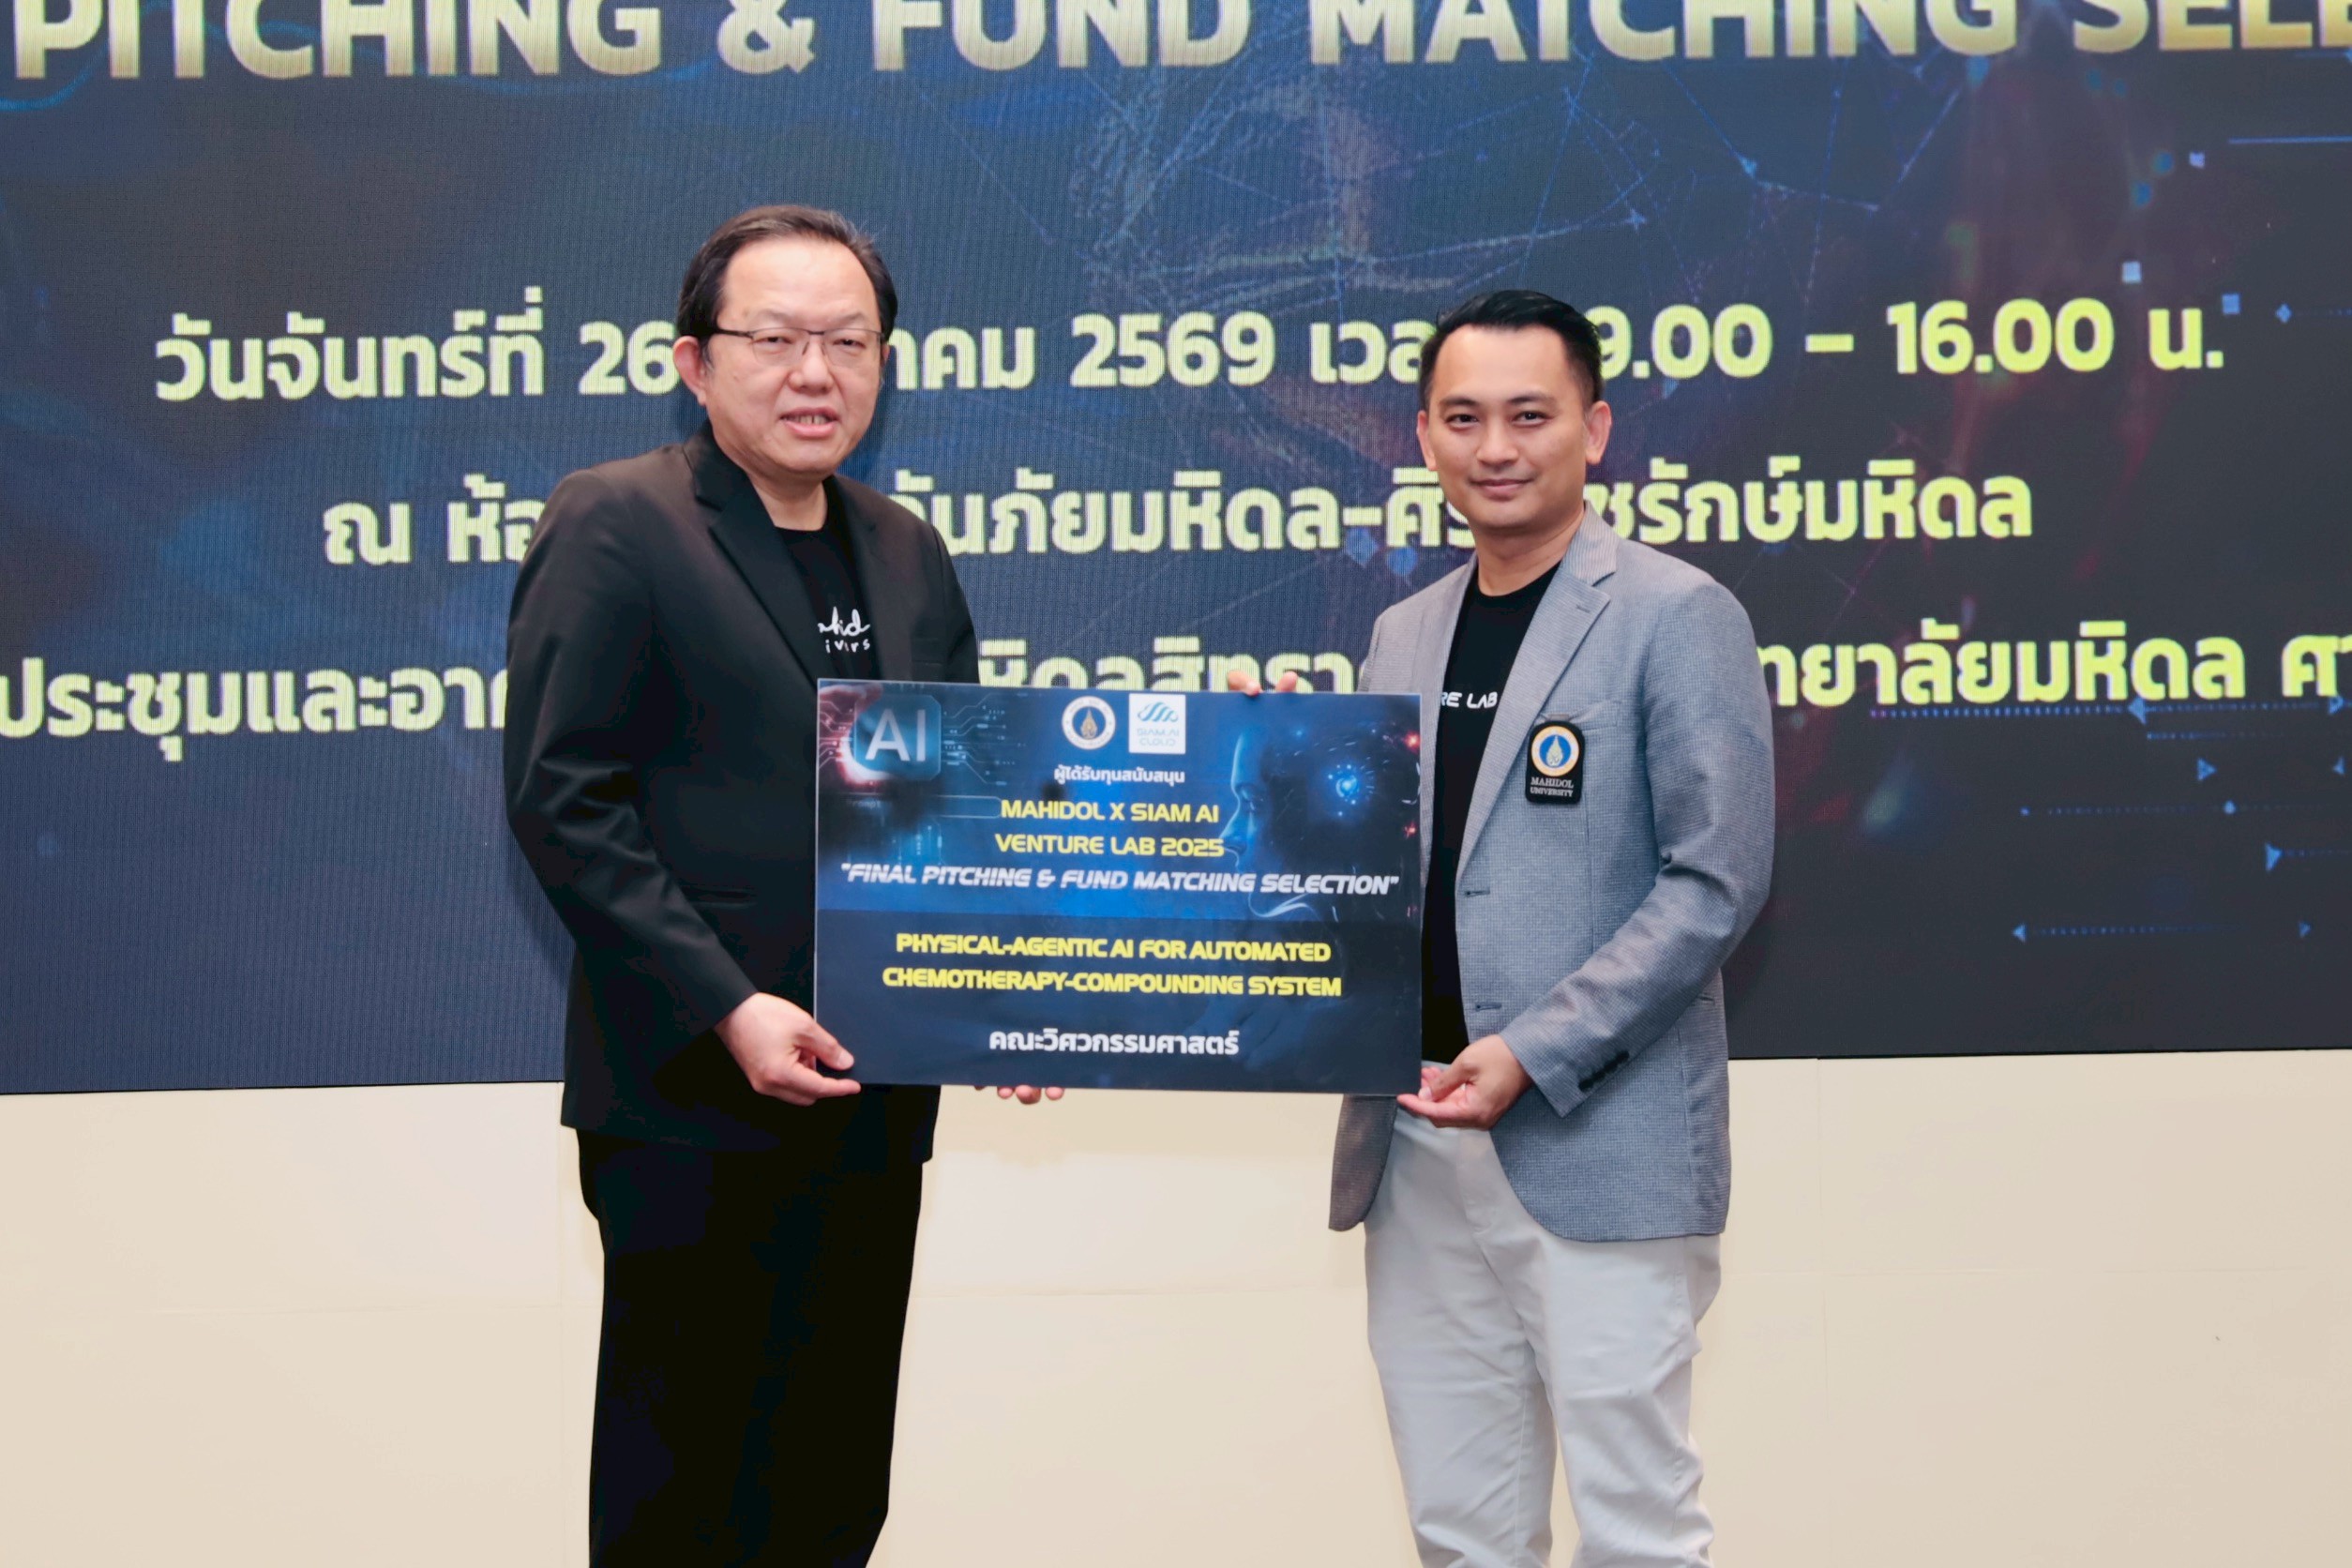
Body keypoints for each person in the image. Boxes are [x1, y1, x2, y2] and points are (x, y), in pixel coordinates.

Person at [504, 204, 1050, 1568]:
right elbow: (565, 799)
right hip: (694, 1103)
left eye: (850, 343)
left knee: (829, 1489)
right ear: (695, 363)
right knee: (685, 1499)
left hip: (872, 1094)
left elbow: (956, 802)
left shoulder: (906, 547)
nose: (817, 373)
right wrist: (730, 1006)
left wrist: (1014, 993)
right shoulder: (618, 520)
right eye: (778, 340)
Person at [1333, 290, 1774, 1567]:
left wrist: (1532, 1051)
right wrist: (1270, 780)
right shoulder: (1401, 633)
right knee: (1459, 1531)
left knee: (1637, 1530)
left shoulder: (1676, 614)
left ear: (1597, 429)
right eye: (1463, 418)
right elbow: (1372, 871)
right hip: (1414, 1143)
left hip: (1599, 1145)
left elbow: (1715, 880)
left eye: (1530, 416)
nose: (1496, 448)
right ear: (1424, 435)